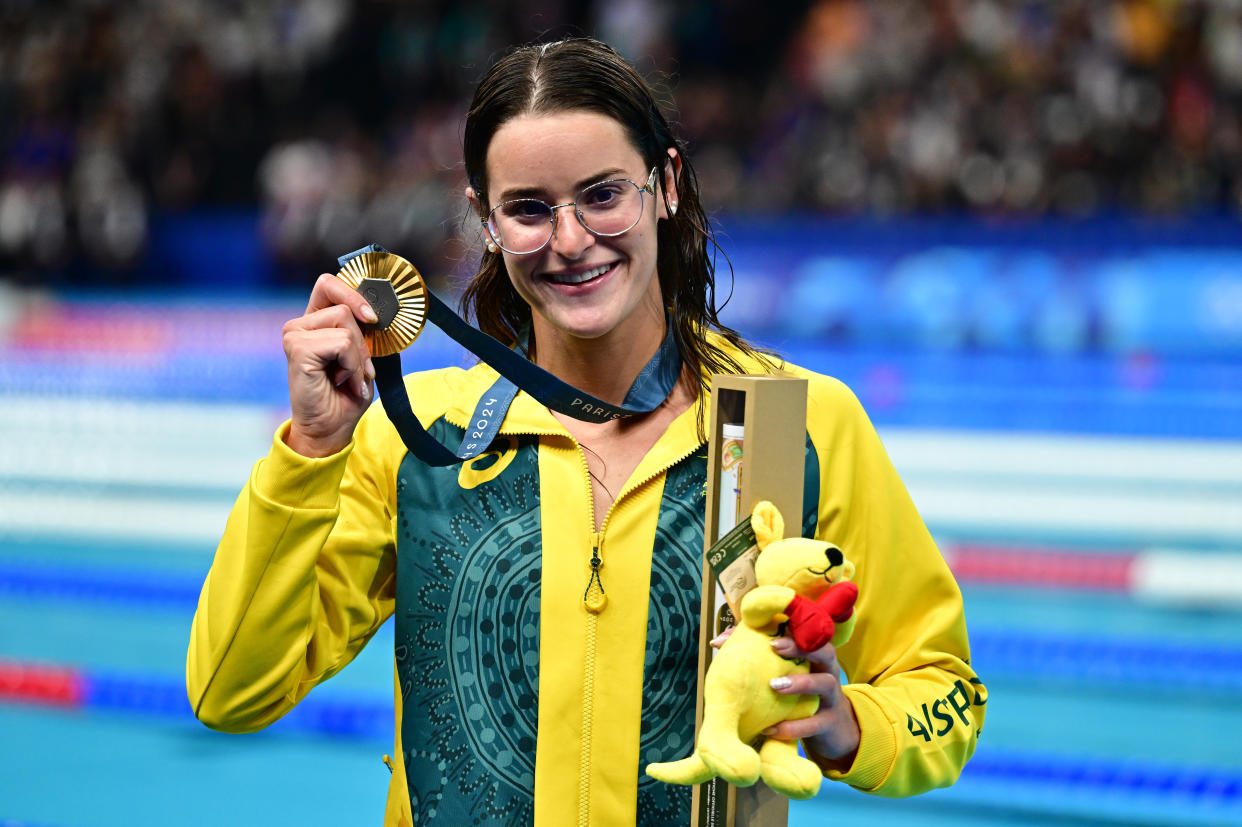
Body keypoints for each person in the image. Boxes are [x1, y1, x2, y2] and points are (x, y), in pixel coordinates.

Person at [187, 37, 985, 827]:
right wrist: (311, 452)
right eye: (528, 208)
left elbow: (945, 690)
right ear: (485, 220)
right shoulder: (421, 438)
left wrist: (851, 726)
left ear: (665, 184)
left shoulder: (793, 425)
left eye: (604, 195)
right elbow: (231, 689)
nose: (569, 241)